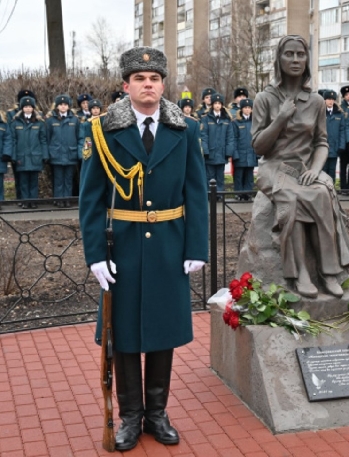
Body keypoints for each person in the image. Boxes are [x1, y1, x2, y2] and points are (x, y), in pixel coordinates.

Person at [79, 46, 208, 451]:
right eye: (139, 79)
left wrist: (197, 245)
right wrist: (96, 254)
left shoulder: (184, 129)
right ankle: (130, 418)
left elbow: (196, 190)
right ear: (126, 85)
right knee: (126, 334)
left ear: (163, 85)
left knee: (162, 333)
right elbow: (91, 199)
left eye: (154, 79)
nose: (147, 85)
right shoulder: (104, 130)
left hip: (169, 245)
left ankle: (157, 413)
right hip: (125, 249)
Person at [250, 35, 349, 299]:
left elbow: (321, 142)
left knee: (321, 194)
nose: (295, 60)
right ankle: (299, 274)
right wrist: (281, 118)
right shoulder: (265, 98)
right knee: (292, 199)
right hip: (274, 167)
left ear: (307, 60)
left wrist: (316, 170)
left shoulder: (317, 101)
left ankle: (328, 272)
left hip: (304, 167)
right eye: (289, 54)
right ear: (279, 59)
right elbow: (259, 146)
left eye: (300, 54)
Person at [45, 94, 83, 207]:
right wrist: (48, 154)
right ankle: (58, 199)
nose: (63, 107)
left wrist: (79, 152)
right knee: (58, 179)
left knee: (68, 179)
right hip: (56, 154)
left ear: (69, 106)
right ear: (57, 106)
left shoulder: (75, 120)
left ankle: (67, 199)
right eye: (61, 104)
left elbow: (79, 137)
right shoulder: (51, 120)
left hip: (71, 154)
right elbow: (47, 138)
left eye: (65, 104)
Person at [10, 96, 46, 209]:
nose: (28, 108)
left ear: (33, 108)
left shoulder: (39, 123)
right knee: (23, 181)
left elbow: (43, 140)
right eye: (25, 106)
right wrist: (13, 156)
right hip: (22, 157)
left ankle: (33, 201)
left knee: (34, 181)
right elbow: (13, 140)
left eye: (30, 106)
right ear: (22, 108)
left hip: (35, 156)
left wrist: (45, 155)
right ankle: (25, 201)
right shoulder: (15, 123)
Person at [200, 92, 235, 199]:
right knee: (210, 176)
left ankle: (219, 195)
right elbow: (203, 136)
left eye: (219, 103)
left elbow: (230, 137)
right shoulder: (206, 119)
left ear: (222, 105)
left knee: (220, 176)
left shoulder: (226, 120)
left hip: (221, 154)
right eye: (215, 103)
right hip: (210, 154)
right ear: (212, 105)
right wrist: (205, 151)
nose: (217, 106)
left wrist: (228, 152)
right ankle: (210, 195)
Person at [232, 98, 257, 201]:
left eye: (249, 107)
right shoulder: (236, 122)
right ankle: (239, 193)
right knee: (239, 175)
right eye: (245, 108)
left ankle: (248, 193)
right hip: (240, 153)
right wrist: (235, 153)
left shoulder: (255, 122)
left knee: (249, 175)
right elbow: (233, 138)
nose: (247, 110)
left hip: (251, 153)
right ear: (241, 109)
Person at [322, 89, 346, 184]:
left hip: (335, 146)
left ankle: (331, 189)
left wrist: (341, 145)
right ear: (324, 100)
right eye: (328, 99)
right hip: (323, 146)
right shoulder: (321, 113)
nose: (331, 101)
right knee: (323, 169)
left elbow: (342, 130)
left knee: (332, 169)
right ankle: (323, 189)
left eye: (332, 99)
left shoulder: (339, 114)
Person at [338, 85, 349, 195]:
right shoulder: (341, 108)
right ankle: (344, 187)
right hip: (344, 142)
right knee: (343, 165)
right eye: (346, 95)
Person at [0, 110, 12, 210]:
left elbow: (8, 139)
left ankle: (0, 201)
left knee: (0, 182)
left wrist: (6, 153)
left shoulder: (3, 125)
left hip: (0, 158)